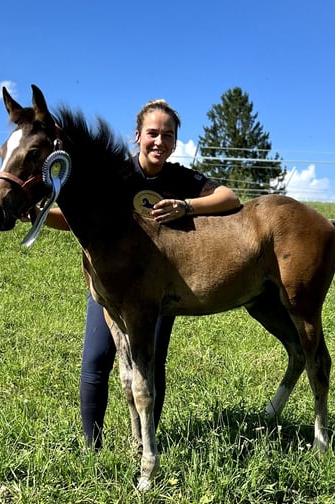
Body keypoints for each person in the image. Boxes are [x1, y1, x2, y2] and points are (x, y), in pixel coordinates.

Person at [31, 99, 240, 449]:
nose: (159, 142)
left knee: (152, 362)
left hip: (157, 287)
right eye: (153, 134)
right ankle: (91, 447)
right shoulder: (114, 173)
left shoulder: (181, 178)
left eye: (168, 136)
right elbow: (78, 220)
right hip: (110, 283)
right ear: (137, 136)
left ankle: (144, 443)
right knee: (97, 362)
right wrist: (36, 215)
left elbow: (229, 198)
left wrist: (186, 205)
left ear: (175, 142)